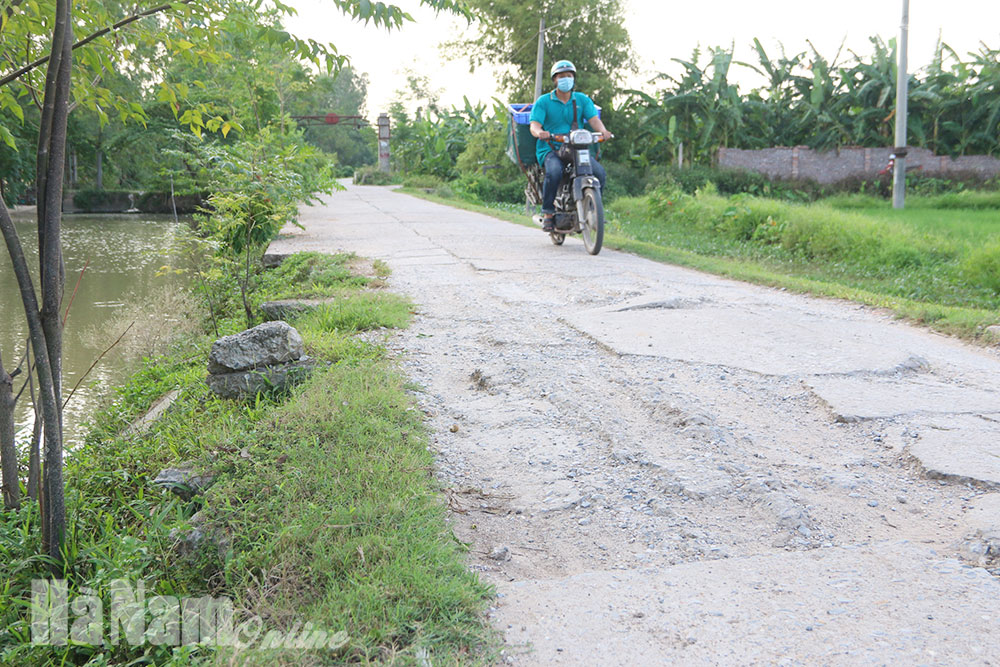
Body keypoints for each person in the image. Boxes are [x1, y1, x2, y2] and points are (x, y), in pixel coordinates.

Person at [529, 59, 612, 232]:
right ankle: (548, 213)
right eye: (561, 76)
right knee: (554, 171)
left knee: (599, 173)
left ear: (573, 78)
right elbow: (534, 125)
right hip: (551, 148)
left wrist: (603, 131)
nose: (566, 79)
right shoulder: (544, 101)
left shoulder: (582, 100)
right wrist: (540, 132)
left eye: (569, 76)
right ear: (554, 80)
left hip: (576, 148)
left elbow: (594, 120)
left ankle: (593, 210)